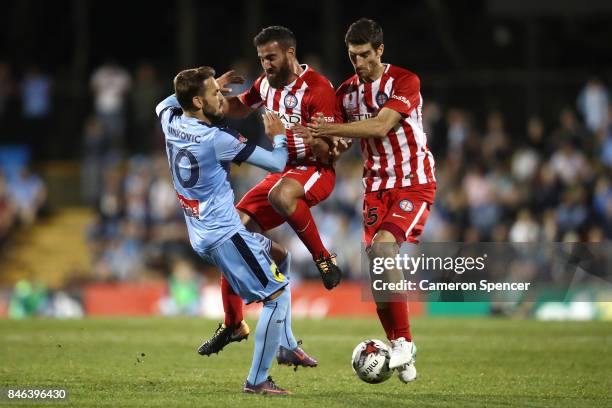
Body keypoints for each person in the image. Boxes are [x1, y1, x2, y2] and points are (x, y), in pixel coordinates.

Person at [199, 26, 340, 367]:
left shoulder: (318, 89)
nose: (266, 65)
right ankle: (236, 324)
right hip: (282, 173)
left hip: (314, 171)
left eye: (272, 57)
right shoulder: (264, 84)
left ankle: (324, 258)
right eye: (262, 58)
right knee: (229, 235)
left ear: (291, 53)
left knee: (282, 193)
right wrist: (213, 93)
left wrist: (307, 136)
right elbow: (238, 107)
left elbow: (330, 150)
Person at [305, 18, 437, 383]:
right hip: (376, 188)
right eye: (352, 56)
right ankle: (401, 348)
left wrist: (327, 129)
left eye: (365, 55)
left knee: (383, 250)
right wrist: (321, 143)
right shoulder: (346, 92)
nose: (359, 63)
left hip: (413, 182)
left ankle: (405, 344)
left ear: (380, 50)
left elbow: (380, 125)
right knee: (379, 286)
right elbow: (341, 142)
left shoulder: (404, 81)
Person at [156, 66, 294, 394]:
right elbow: (276, 165)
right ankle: (257, 380)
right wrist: (279, 134)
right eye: (216, 94)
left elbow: (165, 102)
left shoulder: (171, 121)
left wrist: (209, 85)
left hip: (204, 232)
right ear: (198, 102)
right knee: (278, 295)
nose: (223, 98)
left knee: (279, 255)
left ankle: (248, 329)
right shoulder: (217, 139)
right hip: (224, 235)